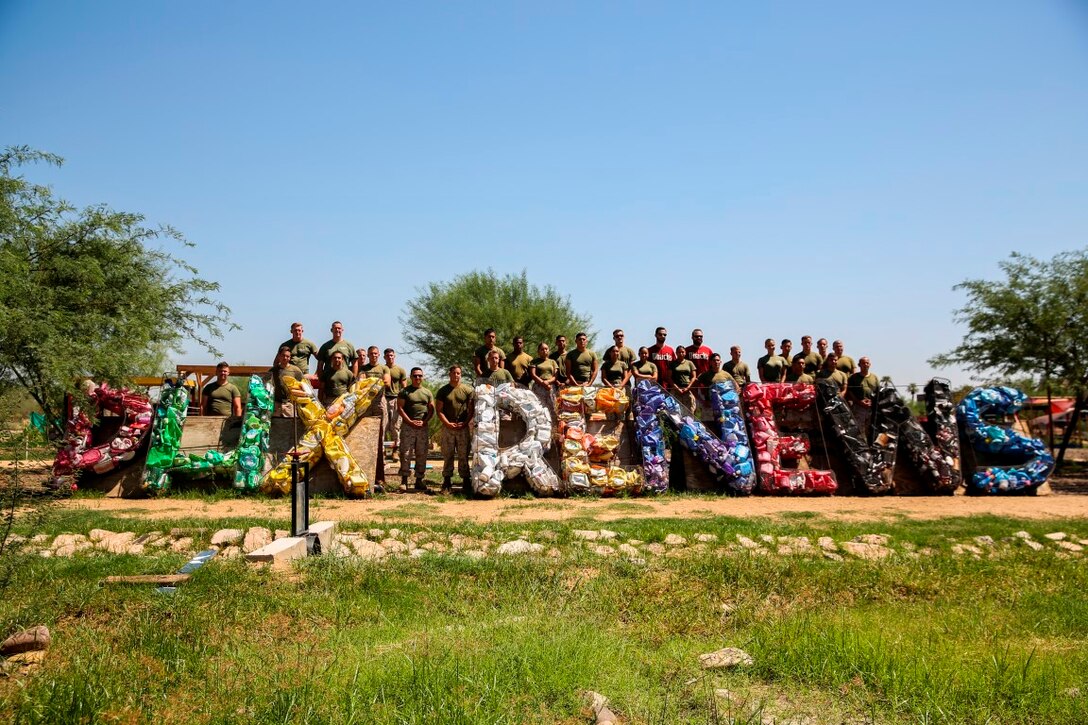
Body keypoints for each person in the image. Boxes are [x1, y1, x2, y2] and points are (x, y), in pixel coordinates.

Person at [435, 365, 473, 494]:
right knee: (448, 454)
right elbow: (439, 410)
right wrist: (447, 423)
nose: (456, 375)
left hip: (462, 427)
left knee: (463, 454)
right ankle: (446, 481)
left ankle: (466, 481)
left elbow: (471, 409)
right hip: (448, 428)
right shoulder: (443, 391)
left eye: (458, 373)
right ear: (449, 374)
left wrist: (465, 423)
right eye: (454, 373)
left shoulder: (467, 390)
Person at [398, 367, 435, 493]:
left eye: (420, 376)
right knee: (405, 453)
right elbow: (400, 408)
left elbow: (431, 409)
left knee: (422, 453)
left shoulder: (427, 393)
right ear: (411, 377)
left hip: (422, 427)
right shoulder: (405, 391)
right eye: (415, 376)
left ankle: (419, 480)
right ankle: (404, 480)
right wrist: (409, 421)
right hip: (408, 426)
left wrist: (424, 421)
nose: (417, 378)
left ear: (422, 377)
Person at [383, 348, 408, 460]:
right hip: (383, 399)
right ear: (384, 357)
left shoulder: (400, 370)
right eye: (388, 355)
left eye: (392, 355)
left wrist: (404, 402)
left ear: (394, 356)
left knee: (395, 427)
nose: (390, 357)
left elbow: (404, 387)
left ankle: (395, 451)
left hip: (396, 399)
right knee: (384, 426)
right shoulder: (382, 369)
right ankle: (382, 452)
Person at [357, 346, 392, 422]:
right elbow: (361, 382)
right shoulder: (363, 368)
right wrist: (379, 382)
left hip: (379, 401)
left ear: (379, 355)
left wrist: (369, 382)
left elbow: (387, 383)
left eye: (375, 353)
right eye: (371, 354)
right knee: (364, 424)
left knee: (381, 424)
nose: (373, 355)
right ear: (368, 355)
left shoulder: (384, 368)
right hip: (366, 401)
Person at [846, 356, 880, 431]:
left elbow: (878, 392)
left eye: (867, 363)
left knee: (871, 429)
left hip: (871, 408)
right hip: (858, 407)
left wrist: (873, 402)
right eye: (863, 363)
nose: (865, 365)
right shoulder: (853, 377)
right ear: (859, 365)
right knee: (858, 430)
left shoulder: (875, 377)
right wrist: (859, 402)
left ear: (870, 364)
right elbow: (850, 391)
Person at [270, 346, 303, 417]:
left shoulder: (296, 370)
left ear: (290, 358)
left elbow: (303, 385)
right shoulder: (273, 371)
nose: (285, 358)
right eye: (283, 355)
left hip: (290, 405)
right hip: (276, 405)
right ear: (279, 356)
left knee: (290, 426)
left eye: (287, 356)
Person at [529, 341, 559, 411]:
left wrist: (548, 382)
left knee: (553, 407)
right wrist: (543, 383)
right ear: (538, 351)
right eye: (542, 349)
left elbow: (555, 376)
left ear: (549, 350)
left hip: (550, 387)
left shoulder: (552, 362)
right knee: (539, 407)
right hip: (539, 386)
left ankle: (553, 421)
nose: (544, 351)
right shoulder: (534, 361)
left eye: (546, 349)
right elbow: (533, 375)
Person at [669, 345, 698, 412]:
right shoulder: (672, 364)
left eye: (682, 352)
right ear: (676, 353)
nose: (681, 354)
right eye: (679, 352)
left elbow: (694, 376)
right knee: (675, 411)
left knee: (690, 410)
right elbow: (669, 377)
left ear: (685, 353)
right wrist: (677, 388)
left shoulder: (690, 363)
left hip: (687, 389)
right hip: (676, 390)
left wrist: (688, 388)